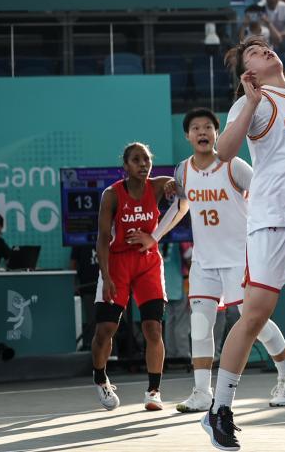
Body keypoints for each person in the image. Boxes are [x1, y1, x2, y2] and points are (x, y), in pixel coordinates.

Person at [198, 38, 285, 450]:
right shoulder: (251, 103)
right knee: (255, 316)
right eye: (254, 52)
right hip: (272, 221)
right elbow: (224, 151)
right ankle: (219, 408)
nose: (266, 51)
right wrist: (251, 101)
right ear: (249, 72)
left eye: (266, 47)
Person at [145, 108, 285, 414]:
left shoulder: (234, 166)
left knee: (254, 321)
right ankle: (202, 392)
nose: (202, 132)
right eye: (196, 128)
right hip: (204, 262)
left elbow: (266, 193)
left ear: (217, 134)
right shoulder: (182, 171)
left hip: (240, 259)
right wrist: (154, 236)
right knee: (200, 325)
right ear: (187, 136)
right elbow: (180, 206)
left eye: (208, 127)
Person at [91, 142, 174, 412]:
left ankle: (154, 391)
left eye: (146, 159)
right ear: (125, 165)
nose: (143, 164)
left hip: (147, 262)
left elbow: (185, 189)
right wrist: (106, 276)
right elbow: (103, 238)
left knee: (153, 328)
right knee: (105, 330)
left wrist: (175, 187)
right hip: (117, 263)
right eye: (136, 160)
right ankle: (100, 377)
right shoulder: (112, 195)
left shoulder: (159, 186)